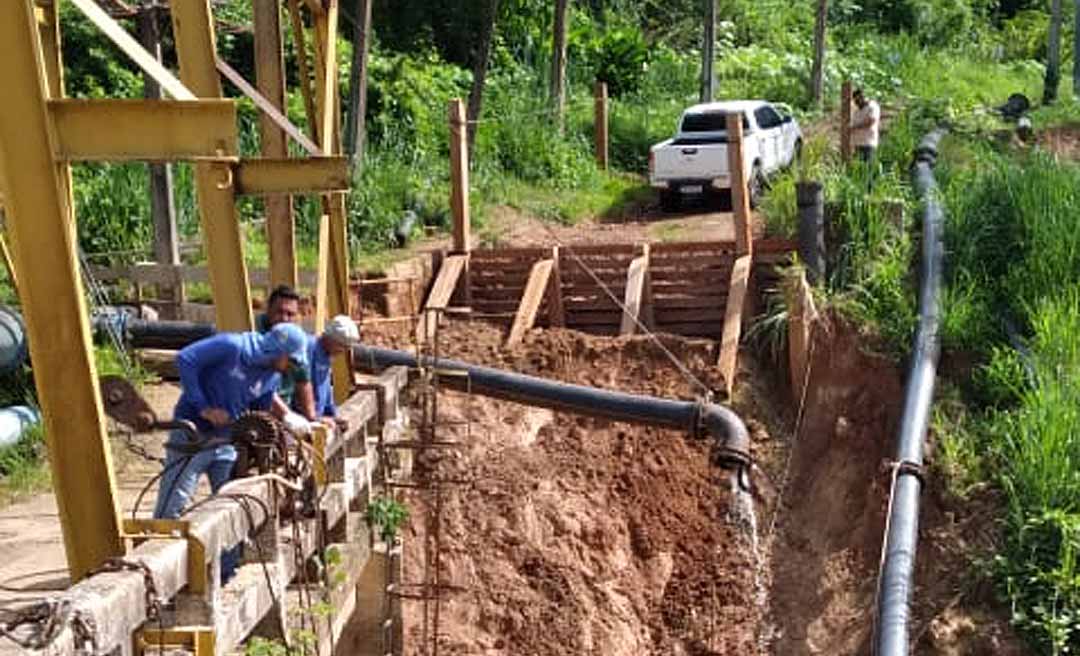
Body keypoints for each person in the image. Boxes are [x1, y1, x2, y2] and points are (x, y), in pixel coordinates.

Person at [153, 322, 309, 579]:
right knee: (174, 507)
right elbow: (186, 359)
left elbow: (260, 408)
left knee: (232, 506)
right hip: (193, 437)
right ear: (277, 351)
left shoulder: (271, 375)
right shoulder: (231, 346)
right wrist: (203, 406)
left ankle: (225, 573)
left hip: (226, 442)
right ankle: (164, 578)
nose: (291, 367)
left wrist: (285, 424)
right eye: (290, 360)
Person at [257, 285, 316, 420]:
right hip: (257, 411)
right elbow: (259, 387)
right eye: (279, 312)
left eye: (290, 314)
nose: (284, 318)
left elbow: (304, 380)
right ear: (268, 309)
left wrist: (312, 418)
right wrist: (290, 418)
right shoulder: (256, 340)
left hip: (284, 411)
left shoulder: (294, 339)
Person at [302, 315, 361, 431]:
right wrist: (314, 417)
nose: (342, 351)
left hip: (315, 417)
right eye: (341, 346)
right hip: (303, 419)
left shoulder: (327, 354)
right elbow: (301, 385)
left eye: (346, 347)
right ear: (330, 338)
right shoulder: (309, 348)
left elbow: (325, 386)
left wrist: (332, 415)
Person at [850, 88, 881, 164]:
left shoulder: (872, 106)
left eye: (858, 100)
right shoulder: (857, 111)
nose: (856, 103)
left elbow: (871, 121)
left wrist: (855, 127)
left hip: (868, 144)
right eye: (855, 101)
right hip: (858, 144)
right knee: (858, 169)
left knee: (867, 168)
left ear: (862, 97)